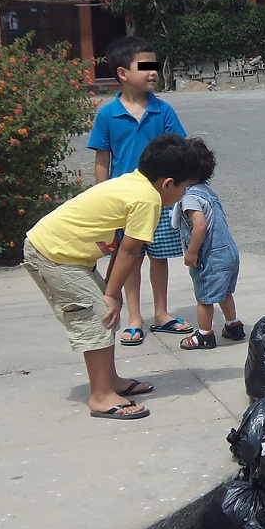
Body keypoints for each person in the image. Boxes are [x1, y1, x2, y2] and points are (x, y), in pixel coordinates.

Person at [23, 133, 196, 420]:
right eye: (185, 187)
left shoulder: (134, 182)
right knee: (98, 316)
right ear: (168, 184)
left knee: (105, 312)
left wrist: (110, 291)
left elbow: (123, 245)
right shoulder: (148, 200)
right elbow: (130, 251)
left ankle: (110, 381)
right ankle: (101, 396)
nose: (184, 194)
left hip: (64, 253)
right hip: (53, 255)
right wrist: (111, 295)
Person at [87, 36, 193, 348]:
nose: (152, 72)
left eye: (154, 66)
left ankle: (161, 313)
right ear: (122, 73)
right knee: (129, 258)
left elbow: (179, 149)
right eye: (144, 66)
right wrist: (103, 198)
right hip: (123, 203)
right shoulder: (108, 114)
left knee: (159, 258)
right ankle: (134, 318)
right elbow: (102, 160)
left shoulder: (163, 110)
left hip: (159, 202)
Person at [172, 139, 244, 350]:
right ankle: (233, 325)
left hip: (210, 257)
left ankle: (204, 335)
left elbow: (200, 225)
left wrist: (191, 252)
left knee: (205, 297)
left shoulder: (190, 198)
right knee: (224, 292)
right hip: (229, 253)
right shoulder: (208, 191)